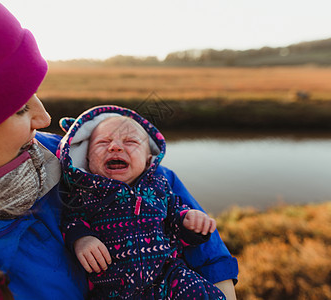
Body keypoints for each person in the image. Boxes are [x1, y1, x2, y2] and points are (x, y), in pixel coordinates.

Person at [0, 0, 237, 299]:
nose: (44, 117)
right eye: (18, 109)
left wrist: (220, 284)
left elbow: (157, 184)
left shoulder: (63, 155)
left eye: (34, 94)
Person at [58, 106, 238, 299]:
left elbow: (176, 224)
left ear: (148, 159)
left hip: (170, 277)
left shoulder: (160, 186)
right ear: (86, 158)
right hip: (113, 287)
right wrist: (81, 239)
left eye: (130, 141)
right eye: (103, 142)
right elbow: (71, 219)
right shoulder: (84, 191)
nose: (115, 147)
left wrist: (190, 223)